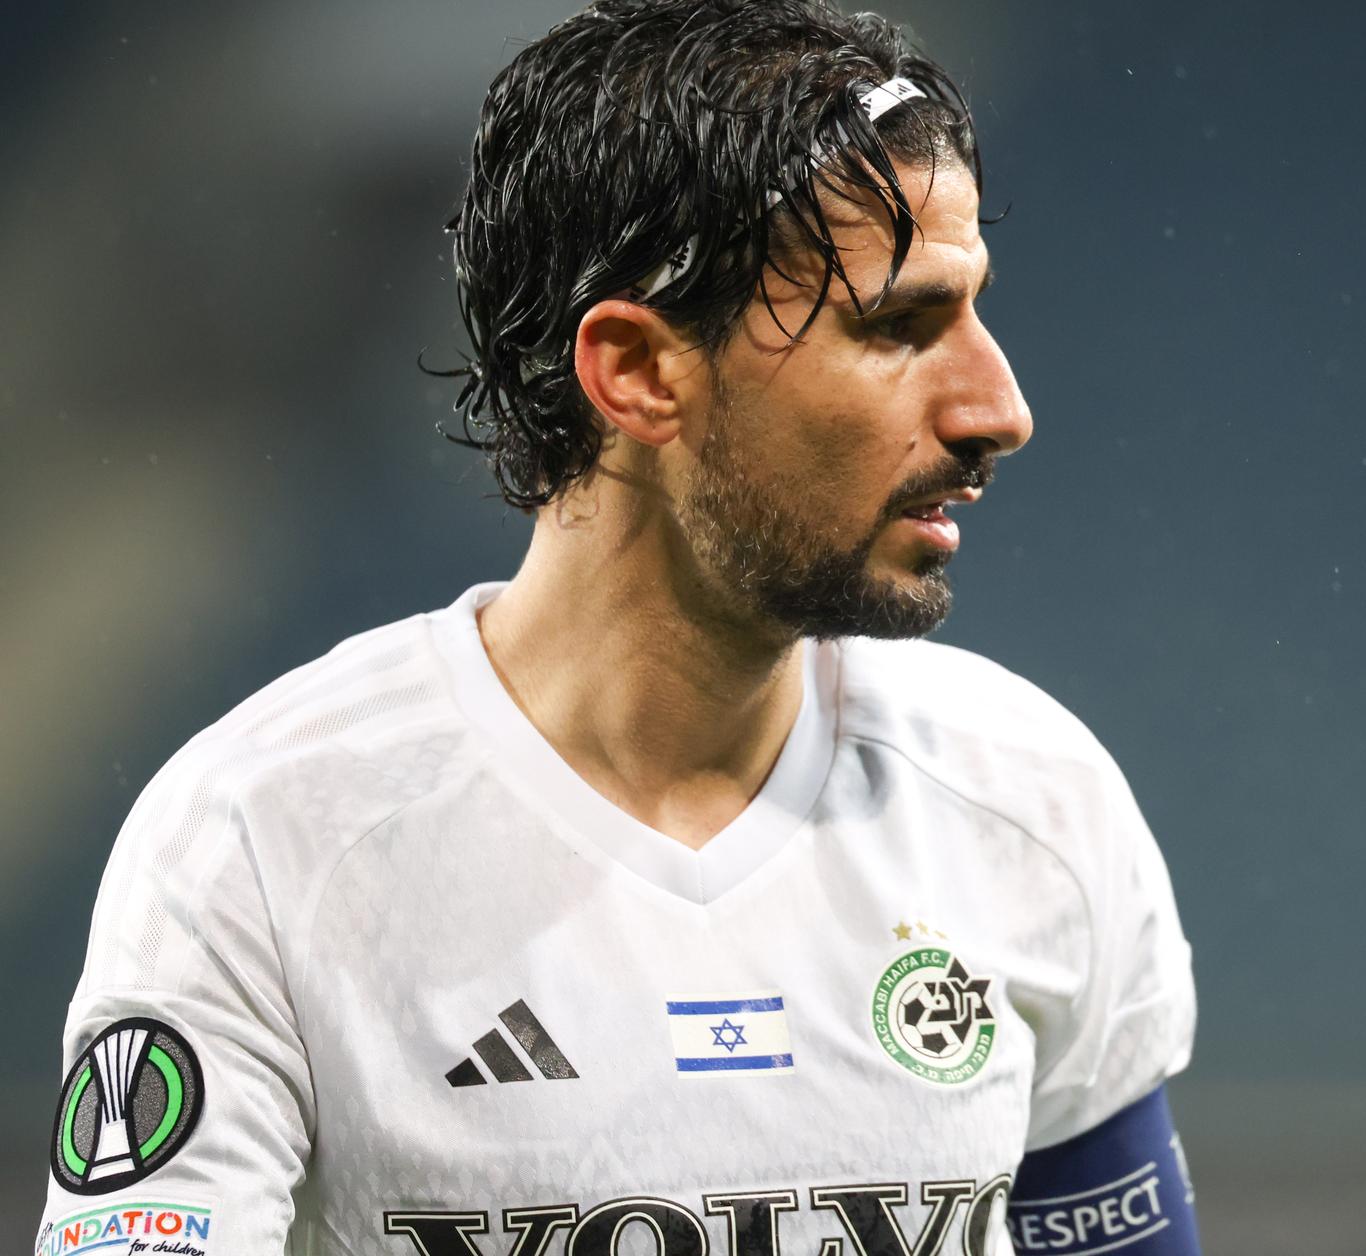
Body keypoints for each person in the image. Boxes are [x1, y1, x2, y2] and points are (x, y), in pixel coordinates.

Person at [35, 2, 1199, 1253]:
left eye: (972, 312)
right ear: (637, 370)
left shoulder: (1031, 801)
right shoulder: (261, 844)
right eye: (896, 327)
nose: (998, 407)